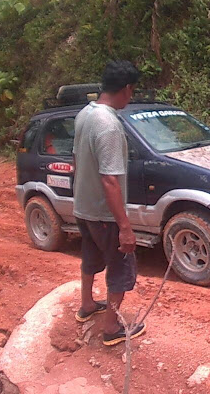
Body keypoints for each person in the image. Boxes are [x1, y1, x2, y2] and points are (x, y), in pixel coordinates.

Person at [72, 60, 146, 346]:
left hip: (84, 208)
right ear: (127, 89)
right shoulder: (110, 127)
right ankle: (111, 327)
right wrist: (125, 227)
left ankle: (87, 304)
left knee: (90, 257)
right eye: (133, 90)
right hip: (105, 214)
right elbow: (110, 181)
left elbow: (77, 161)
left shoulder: (85, 115)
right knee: (120, 266)